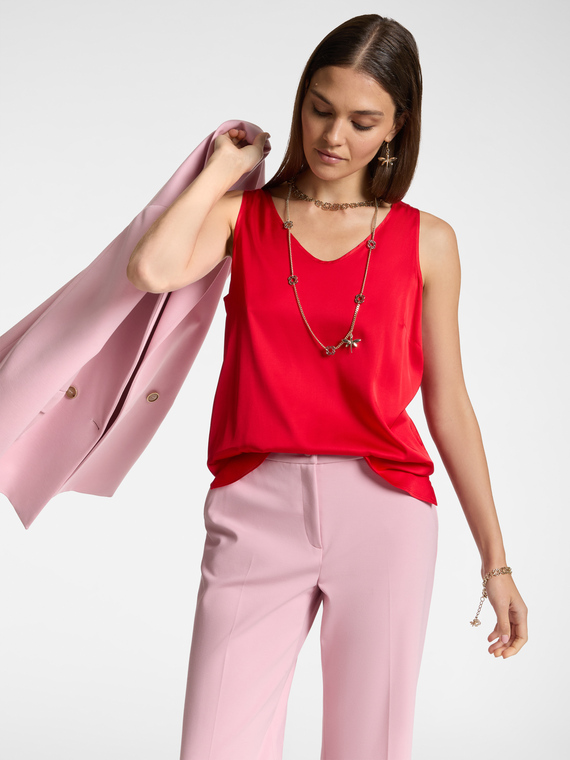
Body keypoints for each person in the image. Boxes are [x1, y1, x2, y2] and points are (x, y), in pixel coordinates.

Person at [126, 13, 528, 760]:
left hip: (386, 511)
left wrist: (495, 562)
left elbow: (448, 404)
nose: (333, 136)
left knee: (370, 747)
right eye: (319, 109)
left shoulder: (428, 241)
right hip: (255, 504)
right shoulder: (242, 217)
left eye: (361, 121)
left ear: (397, 127)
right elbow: (151, 270)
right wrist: (221, 168)